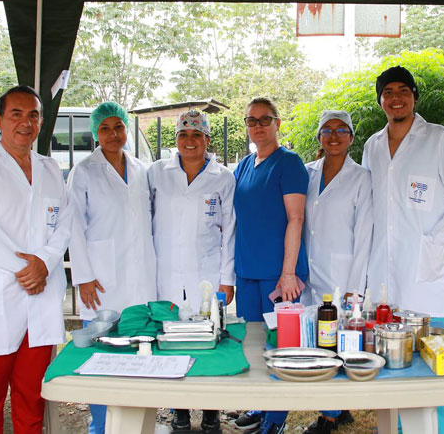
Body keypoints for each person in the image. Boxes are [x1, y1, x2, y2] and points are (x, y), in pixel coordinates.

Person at [362, 66, 444, 434]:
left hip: (425, 267)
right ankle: (398, 427)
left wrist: (436, 239)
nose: (396, 98)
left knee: (434, 356)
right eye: (388, 92)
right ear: (380, 101)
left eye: (403, 90)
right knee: (391, 356)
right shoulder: (372, 146)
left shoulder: (440, 139)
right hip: (384, 270)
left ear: (414, 96)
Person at [0, 86, 72, 433]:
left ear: (41, 122)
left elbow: (65, 222)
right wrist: (26, 269)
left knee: (32, 397)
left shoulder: (50, 168)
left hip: (41, 295)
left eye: (33, 115)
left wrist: (44, 262)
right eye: (16, 114)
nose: (26, 123)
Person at [67, 101, 158, 434]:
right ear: (95, 133)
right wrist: (84, 277)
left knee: (141, 351)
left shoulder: (142, 169)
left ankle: (138, 422)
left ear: (126, 129)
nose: (112, 134)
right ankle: (101, 425)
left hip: (141, 276)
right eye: (104, 128)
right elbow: (73, 226)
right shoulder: (84, 171)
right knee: (101, 355)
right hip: (101, 278)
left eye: (118, 126)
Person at [148, 110, 236, 434]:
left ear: (207, 140)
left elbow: (230, 231)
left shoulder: (223, 177)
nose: (189, 141)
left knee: (209, 341)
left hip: (207, 274)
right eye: (183, 135)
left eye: (197, 135)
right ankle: (180, 411)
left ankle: (211, 412)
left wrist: (227, 279)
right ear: (175, 139)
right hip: (168, 274)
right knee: (173, 341)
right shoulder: (157, 173)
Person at [232, 97, 309, 434]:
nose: (258, 126)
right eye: (251, 120)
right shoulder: (244, 166)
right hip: (248, 271)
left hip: (280, 276)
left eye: (265, 119)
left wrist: (288, 273)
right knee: (253, 345)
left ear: (278, 123)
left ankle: (276, 419)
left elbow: (296, 218)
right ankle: (260, 404)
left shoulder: (289, 163)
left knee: (279, 346)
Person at [302, 110, 372, 434]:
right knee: (318, 340)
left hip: (342, 274)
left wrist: (356, 286)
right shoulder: (306, 173)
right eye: (327, 130)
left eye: (341, 130)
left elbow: (364, 235)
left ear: (351, 138)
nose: (333, 136)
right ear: (319, 137)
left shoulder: (361, 178)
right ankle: (340, 408)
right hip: (310, 269)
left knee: (333, 340)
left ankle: (328, 418)